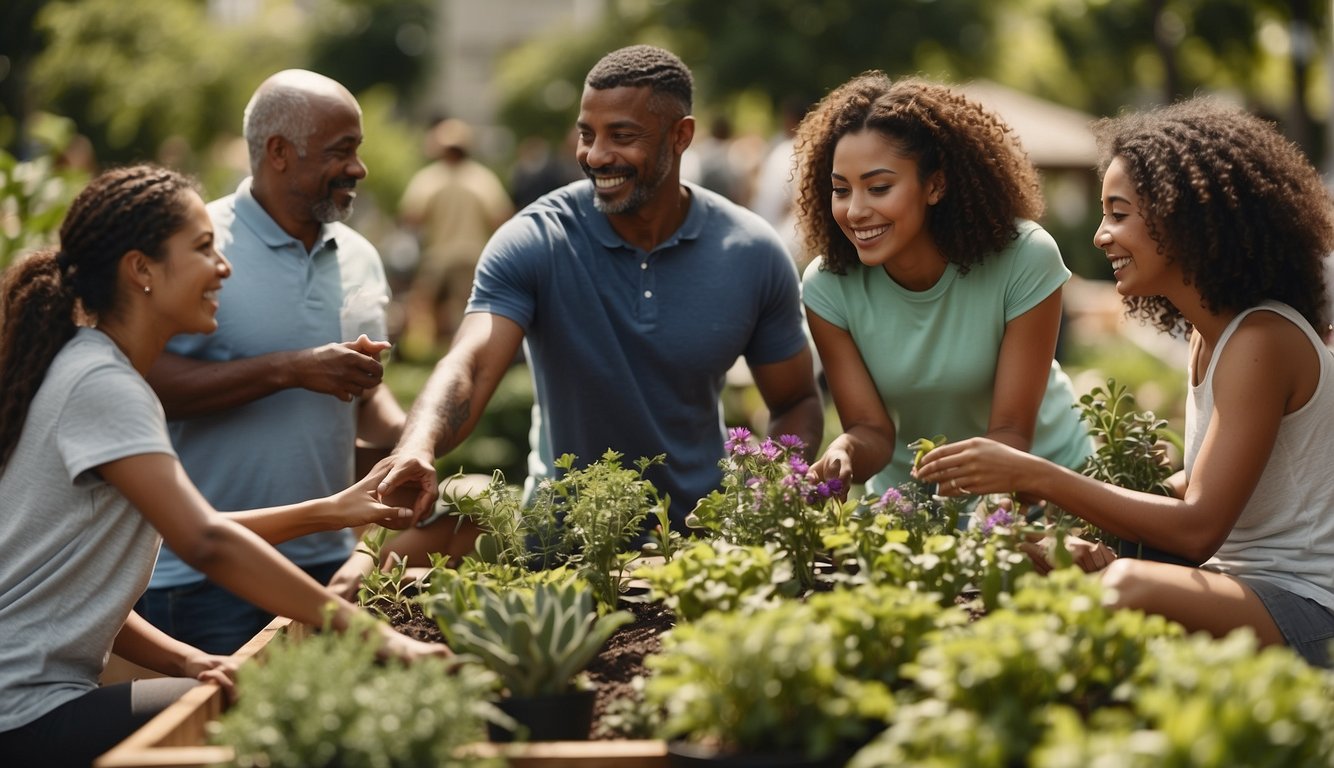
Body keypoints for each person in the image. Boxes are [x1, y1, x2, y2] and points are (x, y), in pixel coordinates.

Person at [0, 165, 445, 767]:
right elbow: (204, 541)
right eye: (204, 248)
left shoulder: (90, 369)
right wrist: (377, 635)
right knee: (284, 714)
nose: (223, 267)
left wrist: (187, 658)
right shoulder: (103, 385)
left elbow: (92, 580)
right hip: (23, 715)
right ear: (142, 270)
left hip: (34, 704)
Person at [915, 98, 1334, 667]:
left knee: (1125, 588)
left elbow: (1198, 530)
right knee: (1045, 565)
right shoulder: (1211, 336)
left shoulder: (1261, 340)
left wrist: (1035, 474)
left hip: (1308, 608)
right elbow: (1202, 484)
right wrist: (1083, 535)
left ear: (1184, 217)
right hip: (1241, 586)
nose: (1100, 236)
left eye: (1119, 213)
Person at [368, 44, 823, 561]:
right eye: (587, 133)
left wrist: (765, 495)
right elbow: (470, 361)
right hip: (563, 548)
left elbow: (796, 401)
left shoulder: (750, 251)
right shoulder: (536, 239)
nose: (596, 154)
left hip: (702, 551)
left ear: (681, 136)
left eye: (622, 136)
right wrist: (417, 445)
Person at [136, 69, 407, 655]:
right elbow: (142, 386)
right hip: (206, 571)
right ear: (279, 152)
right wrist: (290, 369)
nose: (358, 169)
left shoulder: (359, 255)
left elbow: (364, 395)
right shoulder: (197, 246)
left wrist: (412, 439)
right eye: (342, 152)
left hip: (330, 560)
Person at [793, 72, 1091, 503]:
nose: (855, 211)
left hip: (1040, 488)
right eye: (841, 190)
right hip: (910, 502)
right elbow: (872, 432)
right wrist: (845, 451)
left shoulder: (1025, 257)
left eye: (879, 188)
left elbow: (1011, 433)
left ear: (935, 185)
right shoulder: (827, 285)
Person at [398, 117, 514, 351]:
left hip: (438, 256)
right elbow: (502, 218)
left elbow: (410, 218)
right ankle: (468, 353)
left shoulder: (430, 178)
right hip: (472, 255)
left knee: (428, 311)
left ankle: (431, 357)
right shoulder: (481, 178)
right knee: (471, 311)